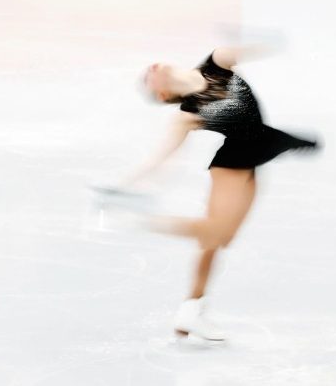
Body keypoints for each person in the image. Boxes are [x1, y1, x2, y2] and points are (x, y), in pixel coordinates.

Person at [117, 47, 320, 341]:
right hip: (231, 166)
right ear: (162, 96)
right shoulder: (186, 115)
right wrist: (125, 186)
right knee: (214, 231)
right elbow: (160, 157)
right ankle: (138, 221)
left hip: (255, 155)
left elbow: (241, 48)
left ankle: (191, 311)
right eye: (147, 79)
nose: (150, 70)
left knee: (219, 239)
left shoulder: (216, 64)